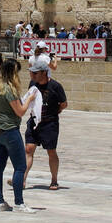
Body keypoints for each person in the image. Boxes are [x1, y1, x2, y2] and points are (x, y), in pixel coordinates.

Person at [0, 57, 38, 213]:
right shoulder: (9, 89)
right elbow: (20, 111)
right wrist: (29, 99)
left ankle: (0, 202)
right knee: (20, 167)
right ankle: (19, 203)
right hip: (10, 131)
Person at [24, 55, 67, 190]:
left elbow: (64, 104)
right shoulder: (32, 84)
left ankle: (54, 180)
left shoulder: (55, 86)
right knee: (29, 149)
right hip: (34, 122)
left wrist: (55, 112)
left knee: (51, 151)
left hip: (50, 123)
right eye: (32, 72)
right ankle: (22, 179)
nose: (32, 75)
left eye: (35, 73)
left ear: (44, 72)